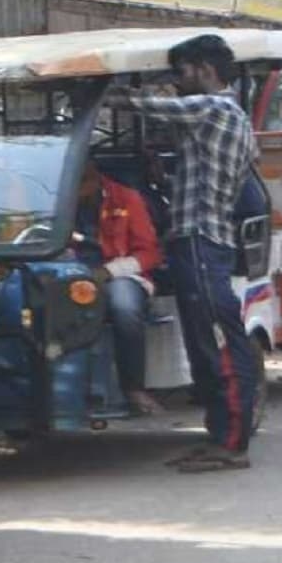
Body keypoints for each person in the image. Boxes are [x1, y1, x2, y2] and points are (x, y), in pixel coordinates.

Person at [105, 34, 259, 473]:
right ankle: (218, 437)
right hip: (202, 240)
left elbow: (148, 107)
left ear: (205, 69)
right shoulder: (230, 119)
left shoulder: (214, 108)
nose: (178, 82)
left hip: (201, 241)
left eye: (183, 72)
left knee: (218, 343)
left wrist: (109, 95)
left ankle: (231, 443)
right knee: (204, 345)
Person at [72, 159, 165, 416]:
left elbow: (150, 254)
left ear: (92, 179)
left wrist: (108, 271)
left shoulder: (126, 199)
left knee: (124, 307)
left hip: (119, 275)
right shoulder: (53, 201)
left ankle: (133, 388)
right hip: (67, 274)